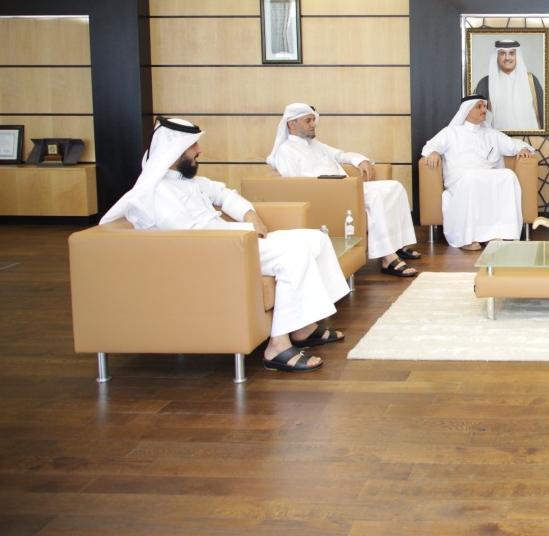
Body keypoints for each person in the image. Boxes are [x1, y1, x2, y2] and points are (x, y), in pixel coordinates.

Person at [101, 117, 350, 374]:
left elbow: (224, 194)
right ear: (173, 151)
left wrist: (250, 217)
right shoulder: (157, 193)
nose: (199, 151)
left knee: (315, 238)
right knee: (294, 253)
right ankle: (277, 345)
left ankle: (303, 327)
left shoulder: (186, 181)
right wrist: (241, 235)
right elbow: (191, 241)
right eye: (192, 146)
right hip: (218, 252)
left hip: (232, 238)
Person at [267, 103, 421, 279]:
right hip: (329, 195)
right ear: (291, 124)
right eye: (308, 121)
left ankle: (398, 244)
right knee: (377, 197)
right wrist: (331, 187)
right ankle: (388, 258)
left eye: (313, 120)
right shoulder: (286, 151)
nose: (313, 124)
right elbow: (295, 185)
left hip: (347, 186)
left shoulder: (315, 144)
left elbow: (342, 155)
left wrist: (361, 161)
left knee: (395, 187)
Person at [421, 95, 536, 250]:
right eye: (479, 107)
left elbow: (514, 145)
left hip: (486, 177)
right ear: (466, 111)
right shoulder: (451, 132)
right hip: (461, 179)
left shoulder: (492, 134)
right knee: (471, 177)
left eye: (484, 107)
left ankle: (498, 234)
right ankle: (467, 237)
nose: (484, 110)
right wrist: (434, 152)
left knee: (508, 175)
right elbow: (430, 146)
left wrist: (522, 149)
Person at [472, 39, 544, 130]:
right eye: (502, 53)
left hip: (531, 139)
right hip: (496, 140)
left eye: (511, 53)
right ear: (496, 57)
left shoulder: (531, 80)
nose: (507, 58)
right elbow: (475, 115)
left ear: (517, 56)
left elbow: (544, 112)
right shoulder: (485, 83)